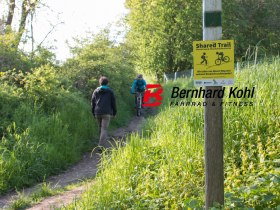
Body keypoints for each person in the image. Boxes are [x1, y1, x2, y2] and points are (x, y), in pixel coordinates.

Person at [91, 76, 117, 150]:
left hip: (97, 112)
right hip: (106, 113)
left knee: (101, 128)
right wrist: (114, 113)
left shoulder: (95, 91)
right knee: (104, 129)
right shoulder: (110, 91)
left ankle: (101, 144)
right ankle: (101, 146)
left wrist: (93, 112)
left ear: (100, 83)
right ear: (107, 83)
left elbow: (92, 103)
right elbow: (113, 103)